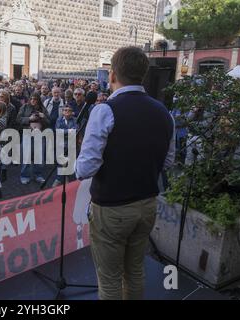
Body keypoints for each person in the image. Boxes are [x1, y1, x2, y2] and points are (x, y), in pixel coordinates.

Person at [75, 46, 176, 300]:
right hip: (147, 206)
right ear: (142, 75)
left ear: (112, 75)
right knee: (135, 271)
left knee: (109, 281)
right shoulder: (165, 113)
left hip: (112, 210)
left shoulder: (105, 110)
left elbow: (85, 169)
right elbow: (169, 162)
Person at [16, 92, 50, 185]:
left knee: (39, 156)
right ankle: (24, 176)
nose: (33, 101)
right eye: (31, 99)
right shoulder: (25, 107)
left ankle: (38, 175)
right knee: (26, 156)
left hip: (40, 134)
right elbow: (18, 119)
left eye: (35, 99)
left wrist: (43, 117)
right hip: (27, 133)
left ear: (38, 100)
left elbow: (48, 122)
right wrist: (29, 119)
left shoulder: (42, 108)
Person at [52, 104, 78, 187]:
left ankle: (66, 178)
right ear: (62, 112)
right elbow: (58, 131)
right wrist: (69, 131)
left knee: (69, 163)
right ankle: (59, 179)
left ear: (72, 112)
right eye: (65, 110)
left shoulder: (75, 120)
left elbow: (75, 130)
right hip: (61, 145)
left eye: (69, 110)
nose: (67, 112)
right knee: (61, 163)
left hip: (71, 145)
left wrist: (65, 132)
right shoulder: (59, 120)